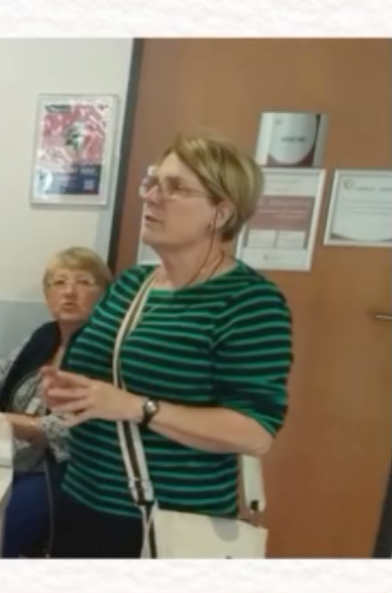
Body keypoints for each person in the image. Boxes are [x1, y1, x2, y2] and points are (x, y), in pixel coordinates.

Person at [42, 132, 294, 558]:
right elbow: (100, 382)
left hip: (169, 520)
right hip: (82, 499)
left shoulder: (250, 302)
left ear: (220, 212)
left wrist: (139, 407)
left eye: (175, 188)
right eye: (153, 183)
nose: (152, 197)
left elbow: (255, 432)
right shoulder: (130, 285)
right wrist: (68, 391)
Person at [0, 246, 112, 558]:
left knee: (0, 529)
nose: (69, 292)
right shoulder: (41, 338)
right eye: (59, 282)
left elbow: (70, 430)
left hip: (62, 471)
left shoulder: (107, 349)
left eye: (83, 282)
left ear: (106, 293)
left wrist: (5, 422)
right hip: (8, 458)